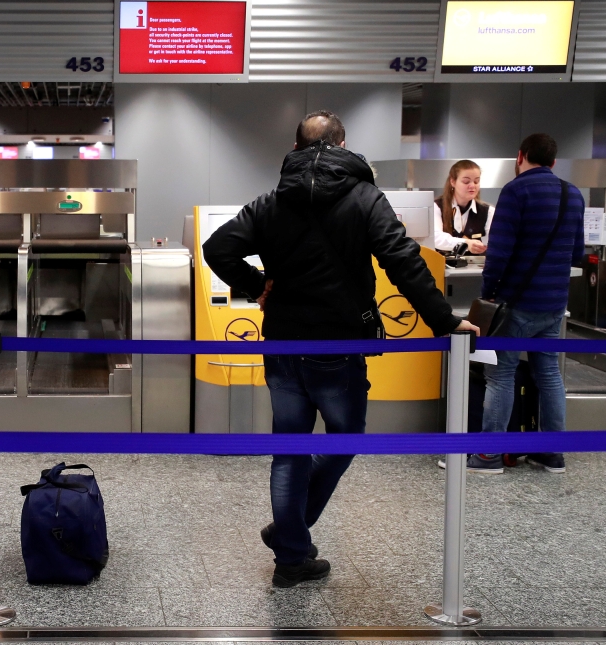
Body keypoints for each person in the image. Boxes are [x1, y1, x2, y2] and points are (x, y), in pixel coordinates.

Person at [202, 111, 478, 587]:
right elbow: (403, 261)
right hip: (339, 343)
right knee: (346, 436)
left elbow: (216, 248)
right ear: (344, 144)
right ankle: (290, 540)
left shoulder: (272, 202)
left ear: (294, 148)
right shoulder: (365, 197)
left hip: (284, 342)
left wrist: (257, 284)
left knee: (289, 448)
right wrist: (445, 321)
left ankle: (290, 549)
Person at [468, 134, 586, 475]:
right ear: (553, 161)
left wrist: (489, 293)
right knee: (548, 373)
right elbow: (577, 252)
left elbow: (500, 252)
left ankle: (488, 456)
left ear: (520, 156)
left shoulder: (516, 191)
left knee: (501, 374)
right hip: (553, 303)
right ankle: (551, 454)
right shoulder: (572, 193)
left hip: (517, 302)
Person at [434, 160, 494, 255]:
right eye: (466, 182)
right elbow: (436, 238)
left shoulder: (488, 211)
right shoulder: (436, 206)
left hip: (473, 267)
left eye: (476, 181)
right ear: (452, 182)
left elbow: (494, 241)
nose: (472, 186)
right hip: (441, 266)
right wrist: (466, 243)